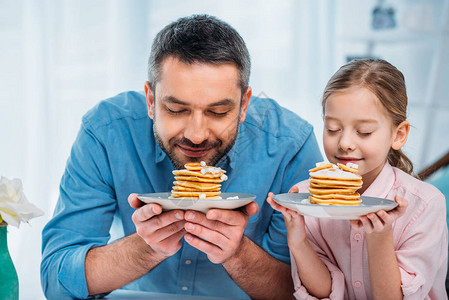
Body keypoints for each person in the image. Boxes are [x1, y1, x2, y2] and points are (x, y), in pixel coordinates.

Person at [40, 14, 323, 299]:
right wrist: (145, 248)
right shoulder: (105, 132)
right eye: (176, 110)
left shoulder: (291, 145)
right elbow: (56, 280)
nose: (197, 135)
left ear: (244, 104)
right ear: (150, 100)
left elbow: (311, 290)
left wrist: (238, 254)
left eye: (218, 112)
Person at [267, 59, 448, 299]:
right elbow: (324, 292)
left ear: (399, 134)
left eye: (364, 132)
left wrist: (380, 236)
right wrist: (298, 242)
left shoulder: (423, 204)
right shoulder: (307, 199)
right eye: (333, 129)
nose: (345, 143)